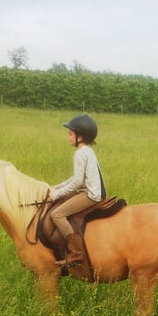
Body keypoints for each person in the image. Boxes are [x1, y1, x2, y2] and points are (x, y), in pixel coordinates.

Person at [49, 114, 106, 267]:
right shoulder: (87, 151)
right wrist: (58, 186)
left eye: (70, 134)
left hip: (90, 194)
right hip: (88, 189)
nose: (68, 137)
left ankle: (76, 252)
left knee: (57, 214)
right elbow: (76, 178)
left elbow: (77, 181)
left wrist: (57, 194)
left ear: (80, 137)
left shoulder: (80, 154)